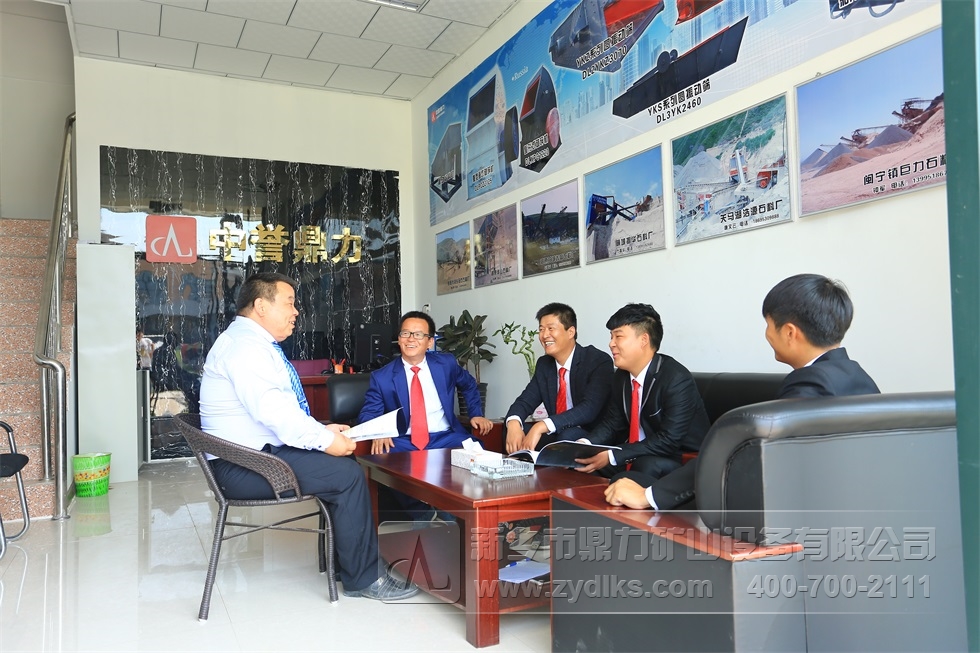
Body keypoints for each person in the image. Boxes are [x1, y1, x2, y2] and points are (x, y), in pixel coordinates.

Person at [199, 272, 417, 601]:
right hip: (242, 467)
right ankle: (364, 579)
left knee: (340, 468)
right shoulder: (245, 348)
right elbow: (274, 412)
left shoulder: (249, 342)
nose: (296, 311)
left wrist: (321, 431)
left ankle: (352, 565)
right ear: (261, 306)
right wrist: (327, 442)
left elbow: (276, 413)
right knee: (346, 475)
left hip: (250, 455)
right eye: (289, 303)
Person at [605, 273, 880, 510]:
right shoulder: (857, 376)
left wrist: (648, 496)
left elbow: (736, 453)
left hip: (800, 515)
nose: (767, 334)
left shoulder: (811, 385)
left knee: (630, 488)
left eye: (768, 325)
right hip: (854, 505)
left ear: (789, 332)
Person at [574, 303, 711, 480]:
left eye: (618, 336)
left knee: (643, 464)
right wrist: (584, 445)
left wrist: (613, 455)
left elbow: (669, 440)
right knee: (584, 463)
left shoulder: (676, 379)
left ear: (644, 340)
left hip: (681, 458)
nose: (611, 344)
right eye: (611, 337)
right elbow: (612, 424)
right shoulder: (621, 377)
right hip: (638, 452)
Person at [360, 310, 492, 455]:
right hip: (403, 440)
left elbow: (469, 385)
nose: (411, 339)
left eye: (418, 334)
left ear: (430, 342)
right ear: (399, 339)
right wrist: (379, 432)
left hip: (445, 437)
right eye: (405, 333)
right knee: (382, 455)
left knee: (476, 453)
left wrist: (476, 414)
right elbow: (369, 413)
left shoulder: (446, 364)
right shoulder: (381, 377)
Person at [504, 302, 613, 453]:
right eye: (541, 329)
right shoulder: (545, 364)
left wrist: (541, 426)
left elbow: (588, 409)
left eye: (551, 328)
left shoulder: (597, 361)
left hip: (590, 435)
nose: (544, 335)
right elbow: (525, 401)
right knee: (513, 432)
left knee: (567, 437)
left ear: (571, 332)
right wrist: (514, 423)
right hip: (558, 431)